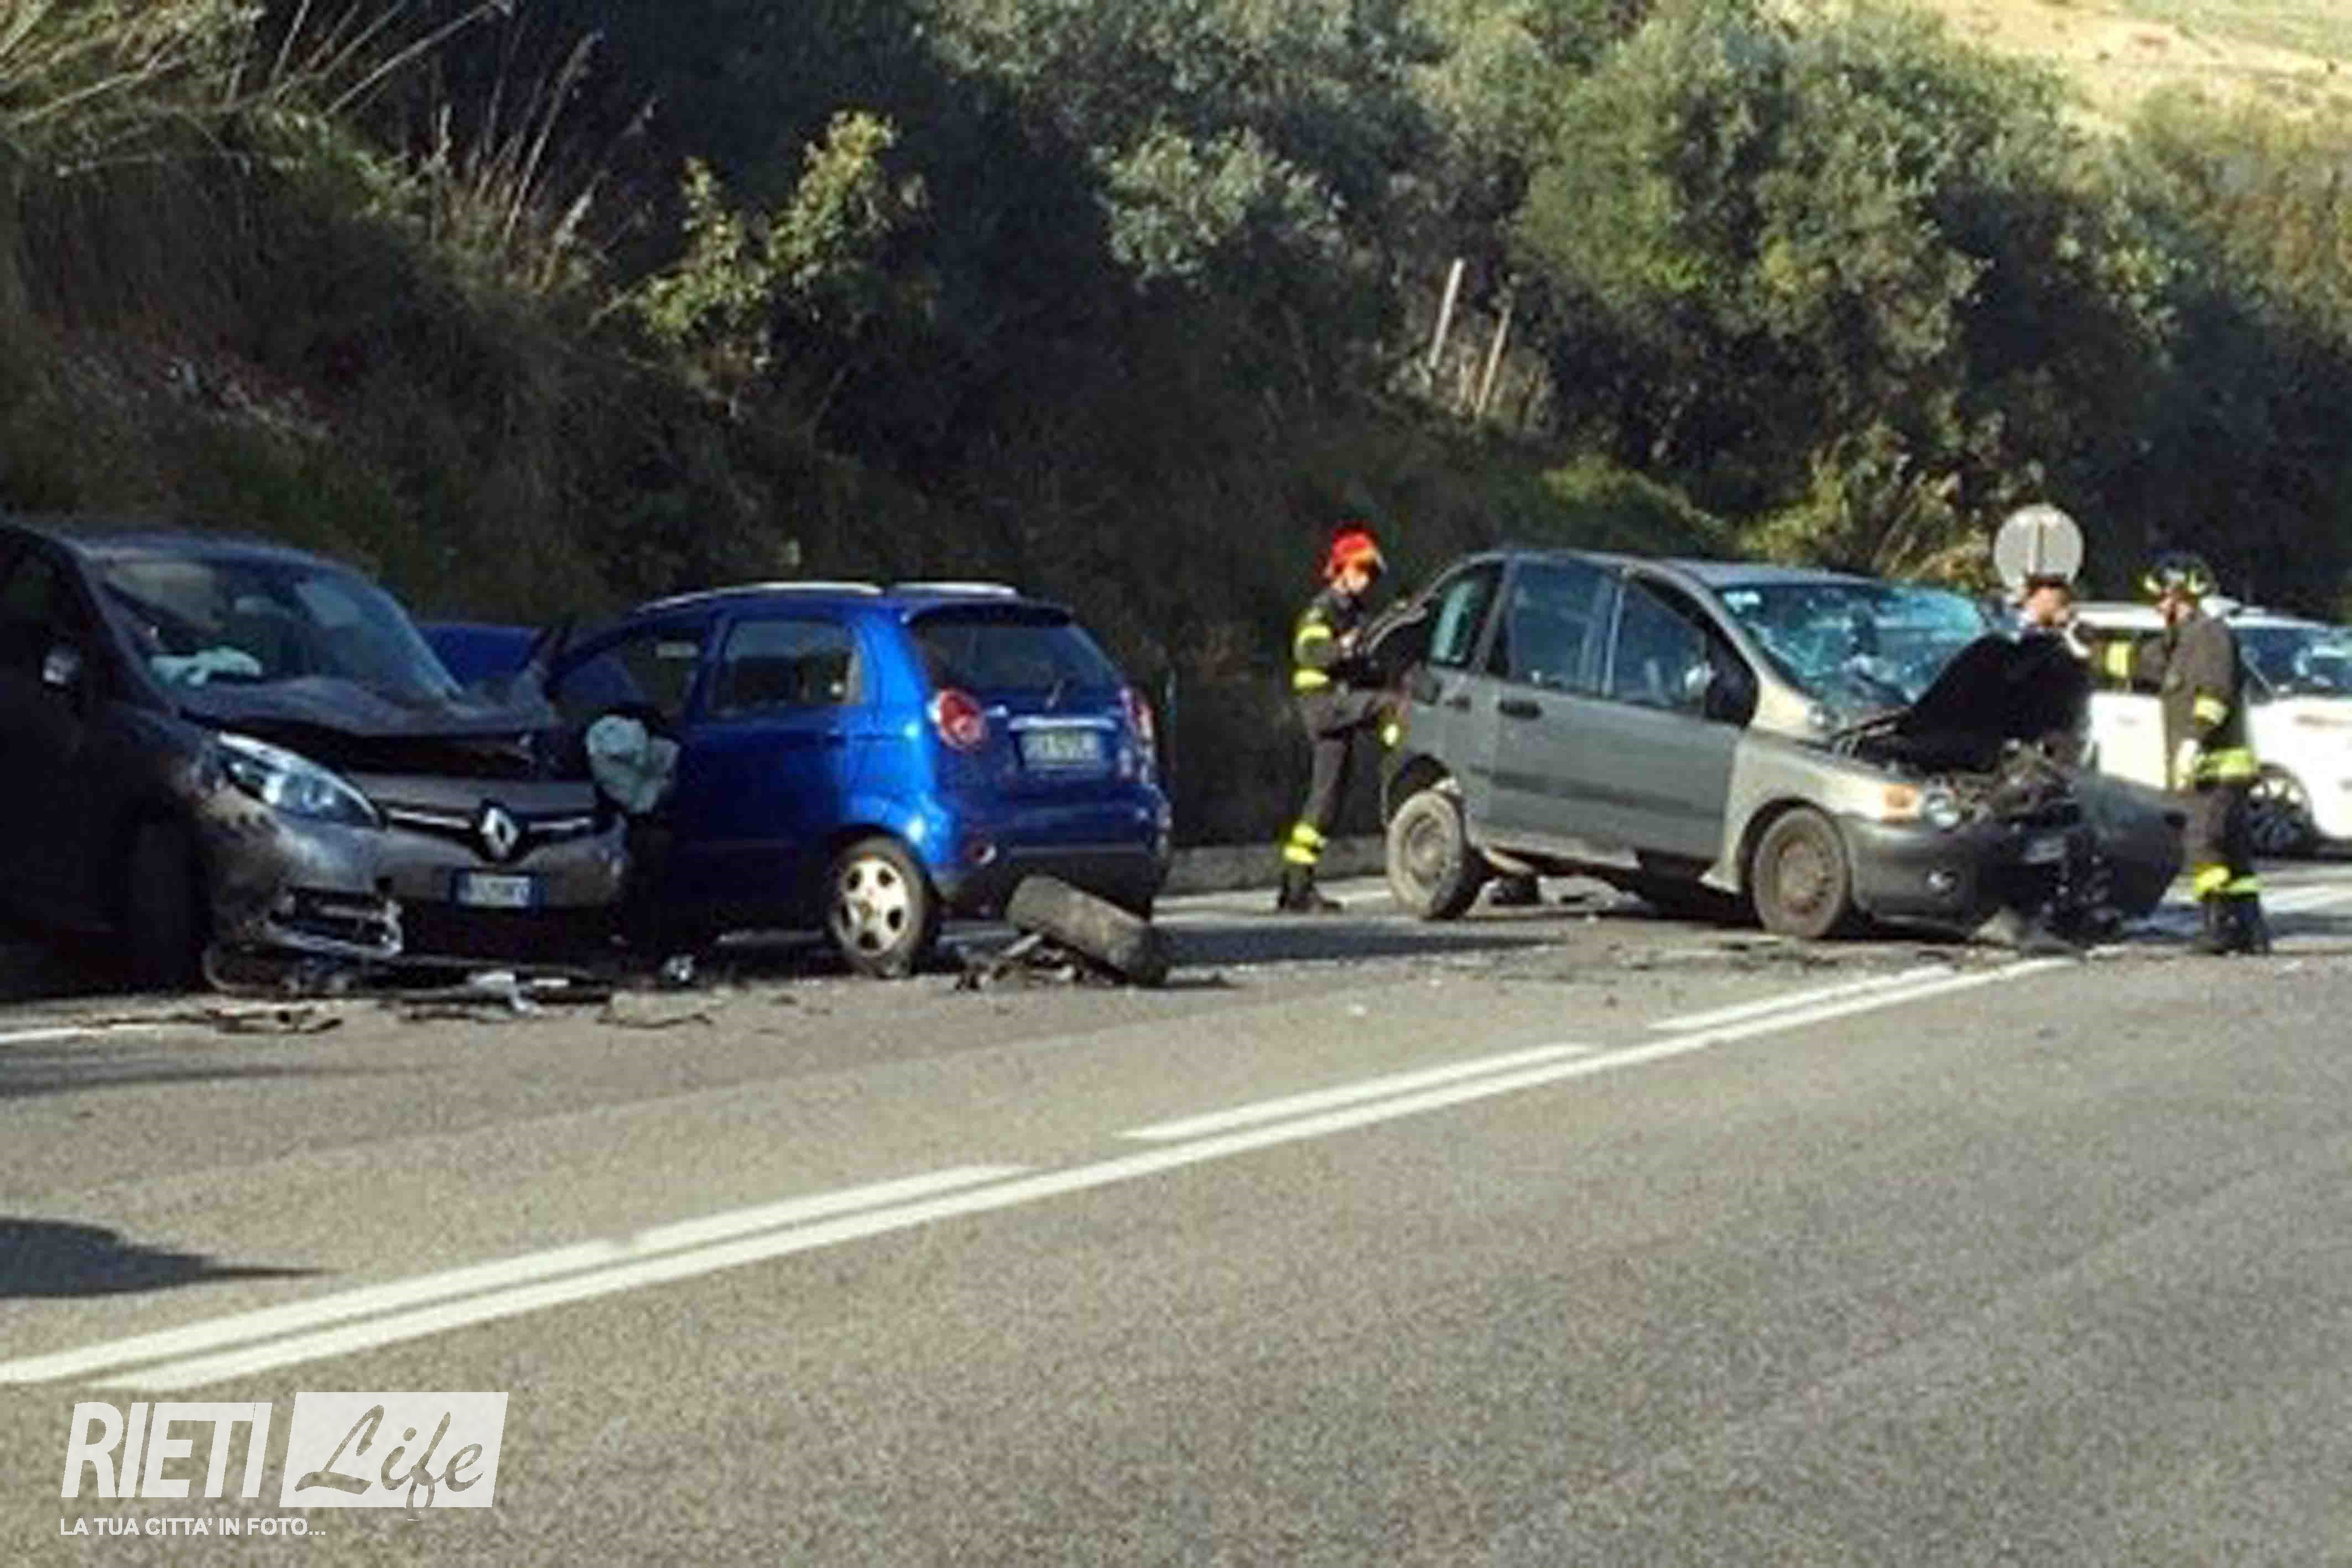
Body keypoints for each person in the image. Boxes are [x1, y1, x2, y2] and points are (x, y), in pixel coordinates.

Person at [2103, 551, 2271, 955]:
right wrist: (2085, 642)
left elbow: (2216, 693)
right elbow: (2141, 662)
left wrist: (2195, 739)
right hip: (2214, 768)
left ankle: (2218, 928)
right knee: (2234, 853)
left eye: (2162, 597)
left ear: (2181, 595)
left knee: (2202, 843)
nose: (2158, 606)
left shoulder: (2209, 636)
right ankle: (2251, 929)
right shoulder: (2179, 641)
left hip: (2217, 767)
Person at [1276, 523, 1394, 913]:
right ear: (1341, 569)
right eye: (1361, 570)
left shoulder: (1357, 613)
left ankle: (1295, 885)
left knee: (1325, 803)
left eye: (1371, 573)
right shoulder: (1323, 610)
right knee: (1389, 706)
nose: (1367, 579)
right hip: (1324, 705)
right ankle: (1404, 755)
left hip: (1338, 708)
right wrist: (1343, 648)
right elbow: (1309, 652)